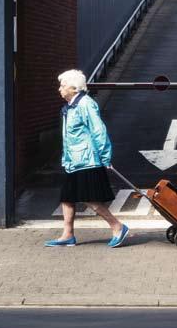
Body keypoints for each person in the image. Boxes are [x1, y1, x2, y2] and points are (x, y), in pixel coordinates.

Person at [44, 69, 130, 248]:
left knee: (90, 198)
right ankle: (67, 235)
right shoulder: (70, 107)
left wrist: (105, 156)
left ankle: (117, 226)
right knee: (67, 197)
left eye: (63, 85)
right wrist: (66, 159)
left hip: (87, 160)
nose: (59, 89)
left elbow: (98, 130)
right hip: (73, 162)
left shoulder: (86, 104)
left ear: (74, 88)